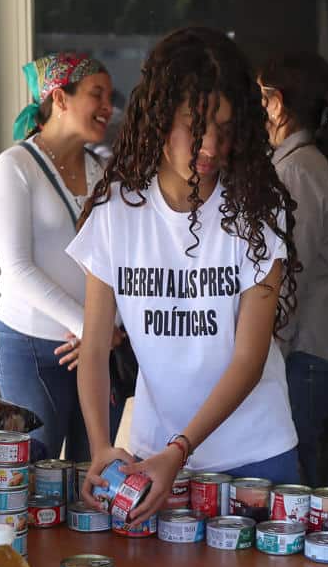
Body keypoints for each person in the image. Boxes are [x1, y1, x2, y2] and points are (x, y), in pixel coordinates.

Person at [66, 26, 302, 518]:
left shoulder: (256, 210)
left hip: (254, 454)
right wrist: (100, 446)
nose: (211, 145)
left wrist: (180, 450)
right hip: (152, 456)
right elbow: (93, 346)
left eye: (226, 127)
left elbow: (249, 358)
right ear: (158, 118)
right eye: (195, 125)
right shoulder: (115, 211)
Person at [0, 52, 115, 459]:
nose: (108, 108)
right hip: (30, 349)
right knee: (29, 472)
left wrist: (110, 330)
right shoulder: (14, 167)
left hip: (95, 348)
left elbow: (121, 262)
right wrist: (92, 328)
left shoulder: (104, 171)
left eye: (111, 97)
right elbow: (16, 271)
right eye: (97, 95)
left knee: (93, 473)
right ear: (60, 98)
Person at [258, 52, 328, 485]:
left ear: (276, 103)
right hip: (302, 354)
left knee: (292, 491)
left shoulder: (297, 170)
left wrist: (263, 356)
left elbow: (290, 274)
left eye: (259, 96)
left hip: (300, 355)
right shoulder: (296, 164)